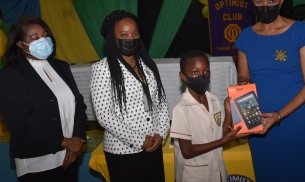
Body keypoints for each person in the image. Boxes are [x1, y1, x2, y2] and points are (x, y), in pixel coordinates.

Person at [235, 0, 305, 181]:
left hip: (294, 123)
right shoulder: (245, 36)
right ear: (252, 0)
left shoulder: (300, 32)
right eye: (260, 1)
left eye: (271, 1)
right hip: (260, 123)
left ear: (281, 1)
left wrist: (278, 115)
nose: (266, 6)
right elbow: (244, 74)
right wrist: (241, 95)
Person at [0, 15, 88, 182]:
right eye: (35, 38)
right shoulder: (10, 76)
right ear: (20, 44)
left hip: (70, 155)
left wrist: (75, 141)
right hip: (37, 159)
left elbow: (79, 106)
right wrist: (64, 142)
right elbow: (20, 123)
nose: (43, 40)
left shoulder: (61, 67)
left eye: (45, 35)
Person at [90, 10, 170, 182]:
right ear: (113, 38)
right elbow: (104, 116)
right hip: (123, 151)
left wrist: (161, 133)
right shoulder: (102, 69)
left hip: (154, 146)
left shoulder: (147, 64)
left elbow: (161, 102)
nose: (131, 38)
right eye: (124, 34)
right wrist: (140, 140)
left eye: (135, 33)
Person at [170, 50, 248, 182]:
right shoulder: (181, 108)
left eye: (206, 72)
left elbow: (220, 133)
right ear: (183, 76)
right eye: (195, 72)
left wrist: (228, 112)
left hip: (217, 171)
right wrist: (223, 141)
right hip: (195, 176)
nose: (202, 76)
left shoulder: (214, 100)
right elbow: (187, 151)